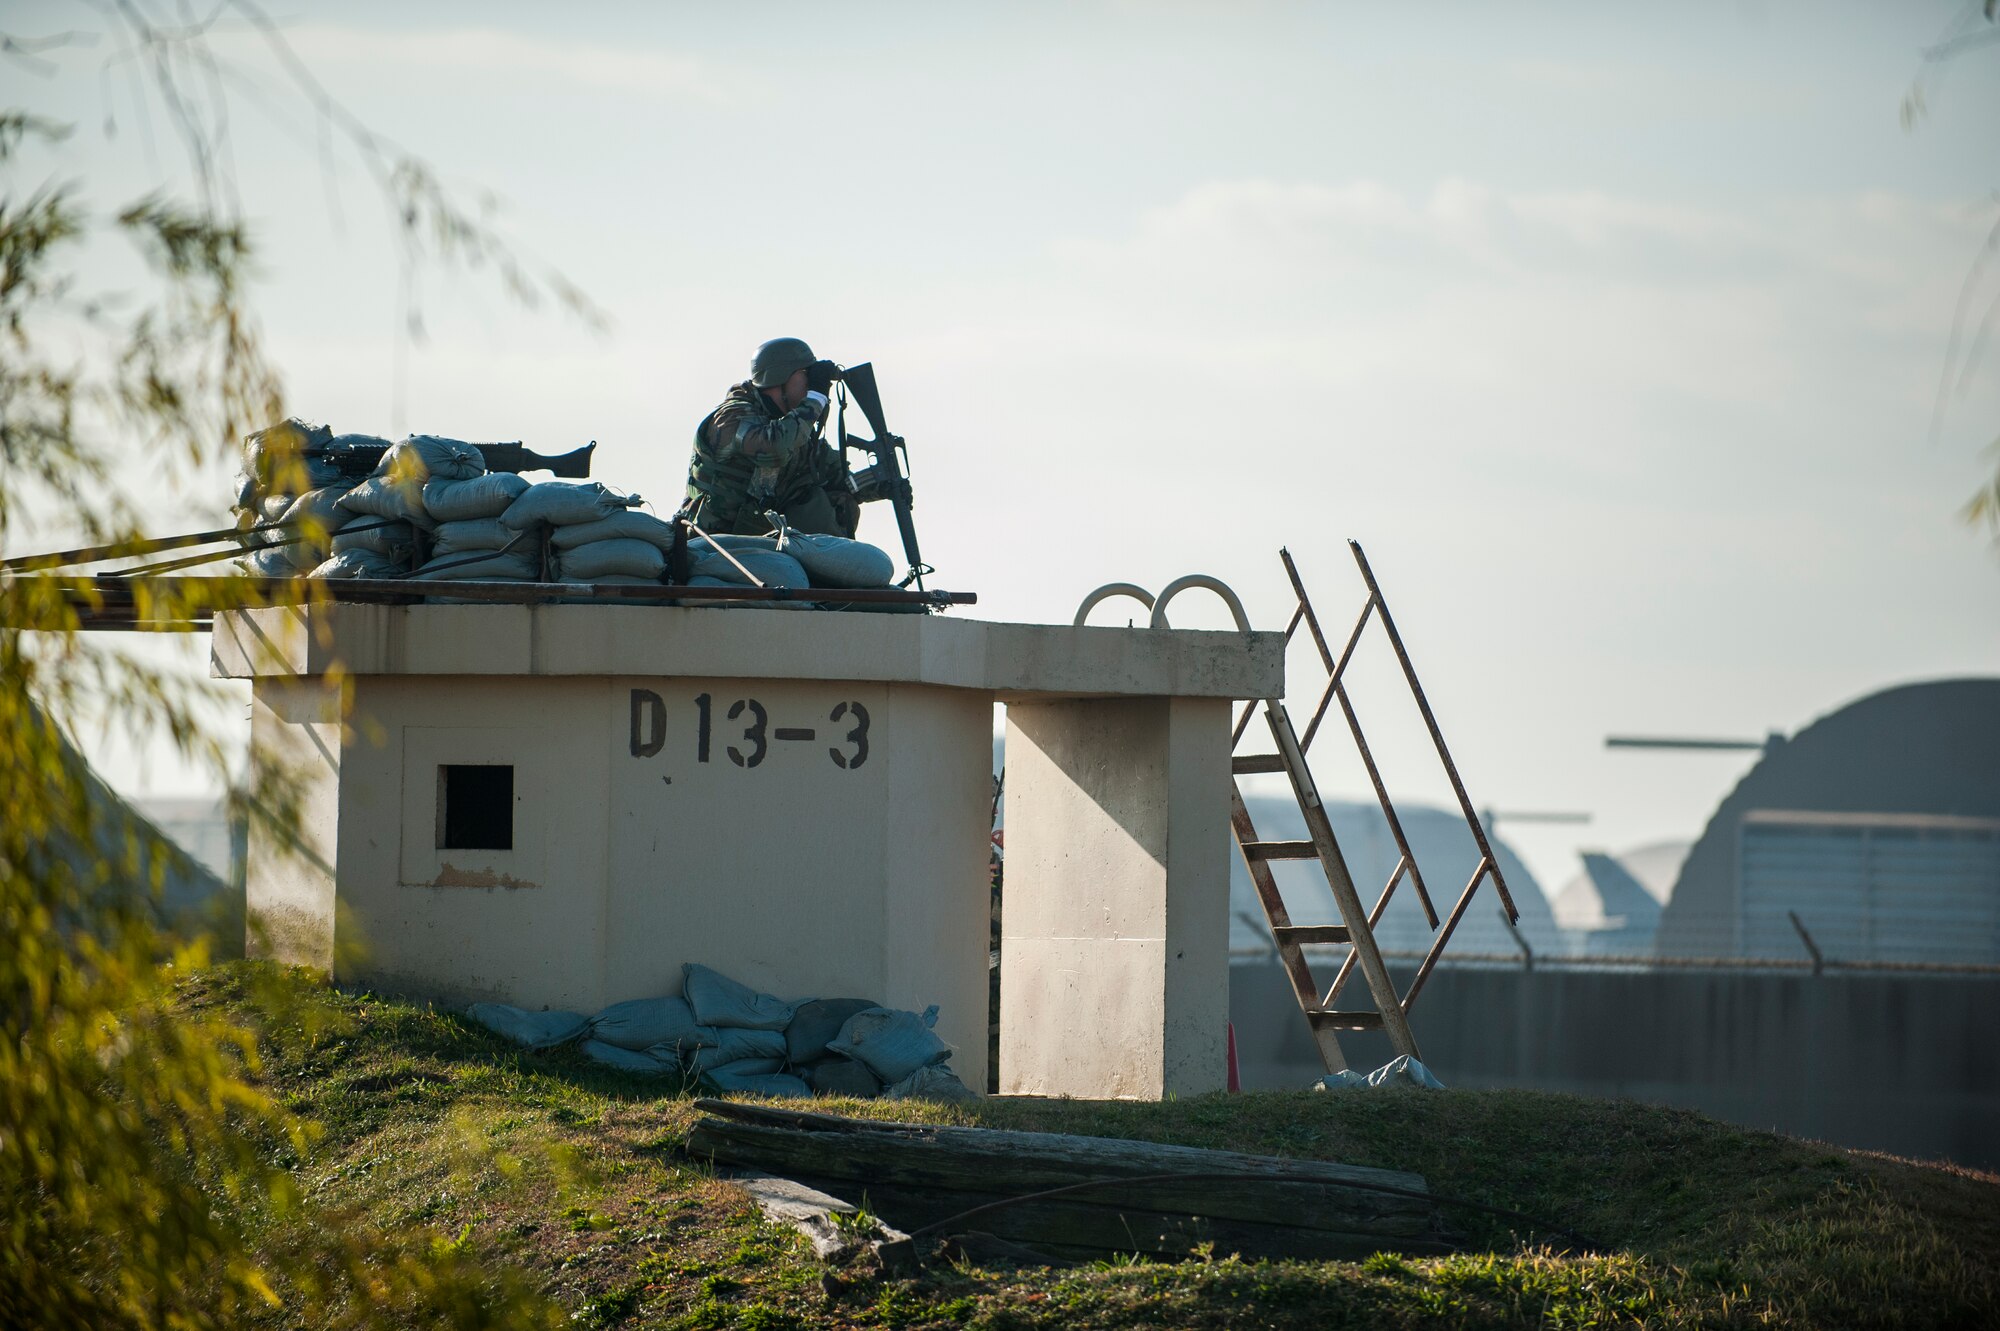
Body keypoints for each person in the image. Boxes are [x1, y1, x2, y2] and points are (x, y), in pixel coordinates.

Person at [684, 337, 859, 537]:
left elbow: (840, 476)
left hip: (756, 550)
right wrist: (815, 399)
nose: (812, 384)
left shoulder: (795, 429)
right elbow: (773, 448)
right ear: (781, 376)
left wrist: (882, 481)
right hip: (706, 545)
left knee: (835, 501)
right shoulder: (732, 416)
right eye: (806, 375)